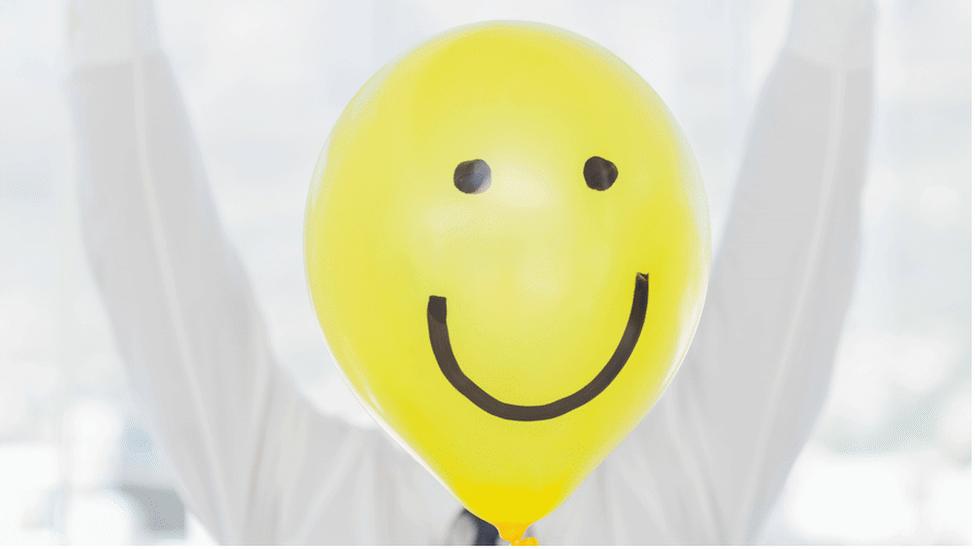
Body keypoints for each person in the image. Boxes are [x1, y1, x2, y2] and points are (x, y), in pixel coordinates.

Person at [64, 0, 876, 544]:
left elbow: (793, 258)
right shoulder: (298, 492)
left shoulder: (681, 488)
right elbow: (161, 272)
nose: (523, 286)